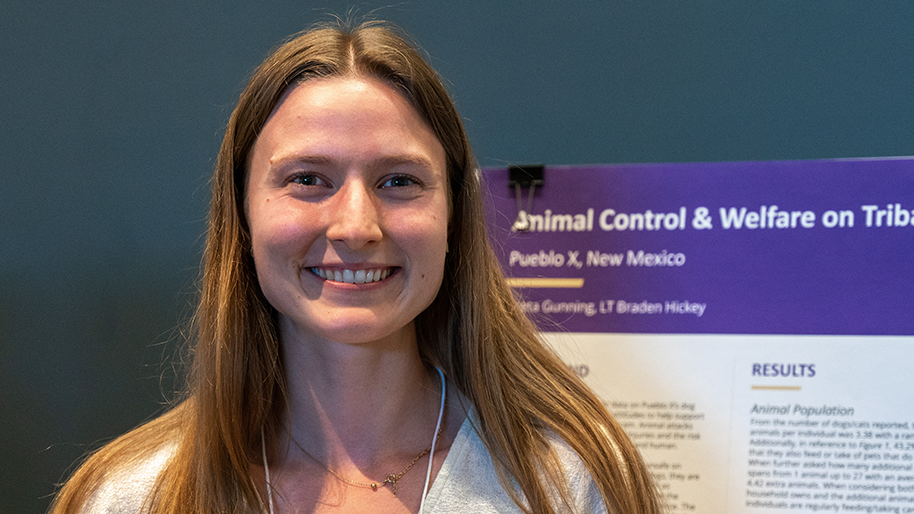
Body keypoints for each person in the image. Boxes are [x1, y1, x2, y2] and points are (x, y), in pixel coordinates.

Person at [51, 20, 661, 514]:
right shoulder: (130, 497)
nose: (355, 227)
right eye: (307, 180)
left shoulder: (566, 487)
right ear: (241, 216)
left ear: (455, 217)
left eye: (399, 181)